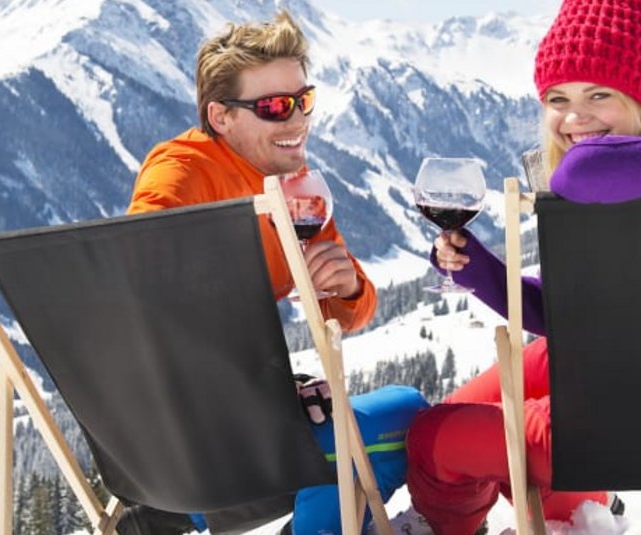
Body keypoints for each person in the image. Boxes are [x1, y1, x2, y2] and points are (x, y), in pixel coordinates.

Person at [401, 0, 641, 533]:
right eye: (557, 99)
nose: (573, 117)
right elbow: (566, 312)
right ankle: (575, 506)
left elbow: (579, 173)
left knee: (431, 439)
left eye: (599, 95)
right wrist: (481, 271)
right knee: (450, 411)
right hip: (613, 374)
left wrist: (574, 155)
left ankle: (531, 516)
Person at [124, 10, 428, 535]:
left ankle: (175, 517)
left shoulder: (296, 185)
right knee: (404, 420)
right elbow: (137, 274)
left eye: (302, 100)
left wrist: (346, 287)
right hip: (194, 437)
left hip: (239, 423)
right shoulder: (183, 170)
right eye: (273, 107)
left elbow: (355, 308)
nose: (296, 121)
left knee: (390, 419)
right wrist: (260, 392)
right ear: (221, 117)